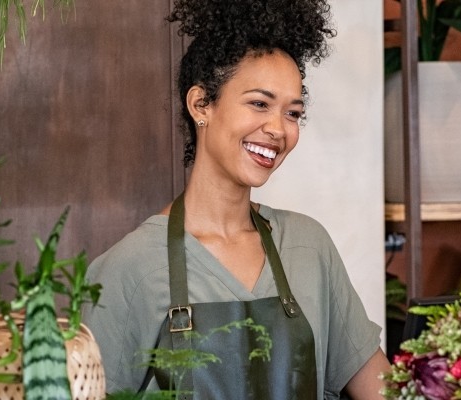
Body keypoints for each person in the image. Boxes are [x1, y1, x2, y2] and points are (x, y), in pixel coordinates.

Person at [83, 0, 386, 398]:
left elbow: (386, 391)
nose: (278, 129)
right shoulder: (130, 269)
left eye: (292, 113)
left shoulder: (307, 247)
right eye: (259, 104)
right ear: (201, 105)